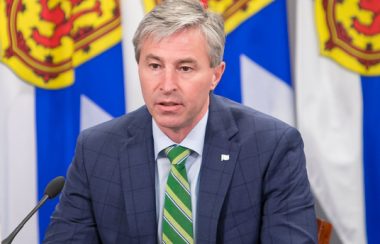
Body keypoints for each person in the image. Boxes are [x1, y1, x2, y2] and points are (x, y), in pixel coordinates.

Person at [44, 0, 317, 243]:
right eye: (154, 66)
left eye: (185, 68)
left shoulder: (270, 147)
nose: (167, 85)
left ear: (216, 75)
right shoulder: (97, 150)